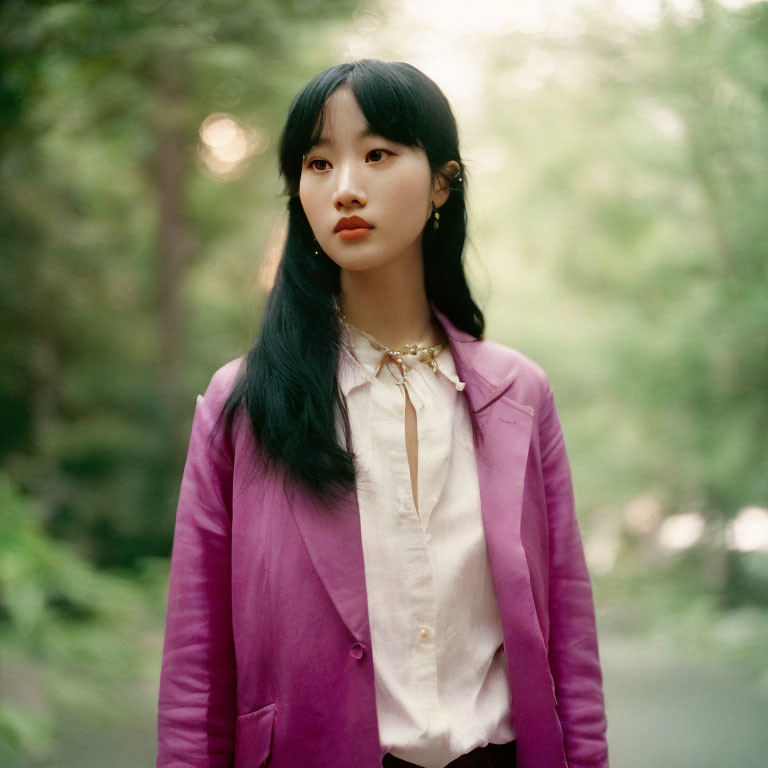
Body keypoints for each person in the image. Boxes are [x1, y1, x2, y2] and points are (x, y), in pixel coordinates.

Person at [156, 59, 609, 768]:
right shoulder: (244, 404)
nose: (344, 188)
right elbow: (195, 672)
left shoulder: (518, 394)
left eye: (377, 154)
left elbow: (571, 650)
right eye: (317, 161)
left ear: (441, 183)